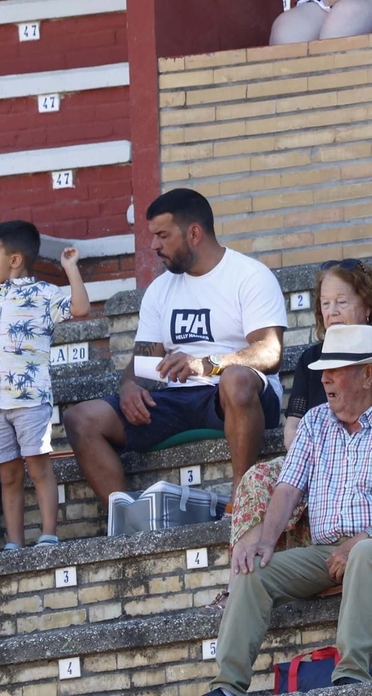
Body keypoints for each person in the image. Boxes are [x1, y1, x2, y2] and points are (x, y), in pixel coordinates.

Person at [205, 325, 372, 696]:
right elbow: (287, 488)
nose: (325, 380)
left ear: (366, 374)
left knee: (364, 553)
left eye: (335, 372)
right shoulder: (315, 421)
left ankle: (351, 675)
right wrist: (266, 541)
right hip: (327, 551)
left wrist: (366, 538)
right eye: (323, 372)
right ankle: (227, 686)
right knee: (253, 570)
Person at [64, 189, 286, 513]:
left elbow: (270, 352)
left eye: (162, 235)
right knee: (80, 418)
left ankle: (242, 499)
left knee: (236, 380)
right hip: (177, 398)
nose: (154, 245)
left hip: (233, 396)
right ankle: (129, 518)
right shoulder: (161, 288)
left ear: (194, 233)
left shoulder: (249, 276)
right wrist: (128, 386)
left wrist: (206, 364)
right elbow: (144, 358)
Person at [230, 259, 372, 552]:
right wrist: (316, 460)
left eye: (341, 302)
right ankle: (246, 575)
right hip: (314, 459)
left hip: (370, 460)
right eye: (326, 303)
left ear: (368, 306)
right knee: (257, 478)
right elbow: (293, 427)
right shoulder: (311, 358)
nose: (331, 311)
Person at [0, 222, 89, 549]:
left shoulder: (43, 294)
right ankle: (14, 543)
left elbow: (80, 309)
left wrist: (70, 269)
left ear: (14, 260)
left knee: (39, 467)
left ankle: (48, 535)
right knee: (7, 476)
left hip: (30, 400)